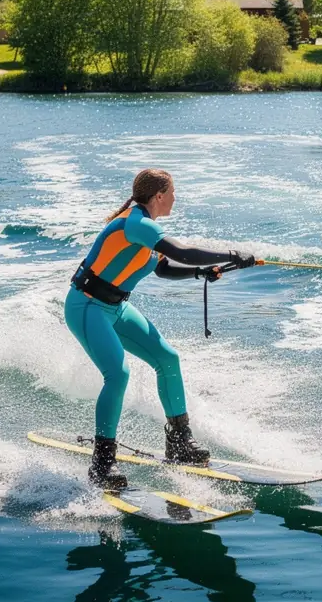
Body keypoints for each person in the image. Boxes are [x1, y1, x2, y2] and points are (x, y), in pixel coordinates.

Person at [67, 169, 258, 488]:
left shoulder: (146, 228)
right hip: (86, 306)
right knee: (118, 373)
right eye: (172, 192)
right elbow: (181, 252)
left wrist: (201, 272)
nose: (175, 197)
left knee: (167, 358)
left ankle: (180, 442)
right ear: (159, 196)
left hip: (115, 307)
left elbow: (165, 267)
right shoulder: (136, 223)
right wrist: (231, 254)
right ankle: (102, 464)